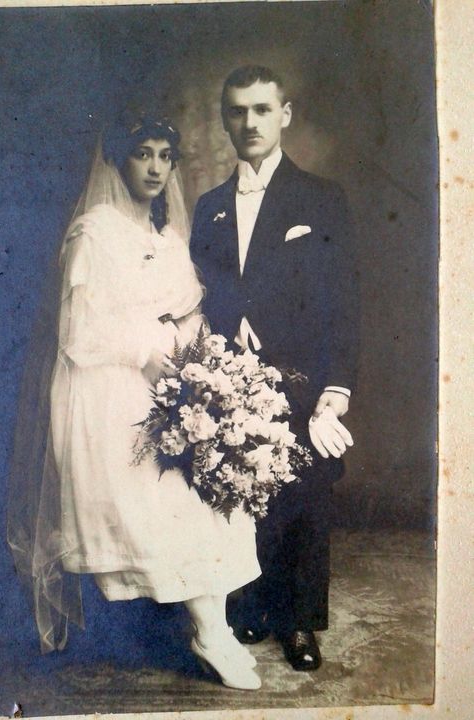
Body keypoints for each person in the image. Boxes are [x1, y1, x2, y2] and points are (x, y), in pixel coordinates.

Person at [7, 111, 262, 690]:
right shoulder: (94, 232)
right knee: (173, 503)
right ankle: (210, 632)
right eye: (142, 154)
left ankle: (215, 629)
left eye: (164, 156)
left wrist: (204, 368)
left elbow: (189, 311)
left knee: (213, 491)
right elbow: (77, 332)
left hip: (170, 382)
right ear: (118, 160)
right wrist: (147, 354)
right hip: (110, 389)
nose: (154, 168)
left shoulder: (167, 237)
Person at [190, 66, 359, 671]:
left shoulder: (322, 198)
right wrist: (230, 318)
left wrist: (336, 388)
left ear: (284, 114)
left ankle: (299, 622)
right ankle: (253, 607)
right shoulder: (210, 207)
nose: (250, 122)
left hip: (304, 375)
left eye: (262, 109)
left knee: (305, 495)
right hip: (234, 376)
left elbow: (343, 299)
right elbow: (201, 288)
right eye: (237, 111)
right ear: (224, 119)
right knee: (243, 488)